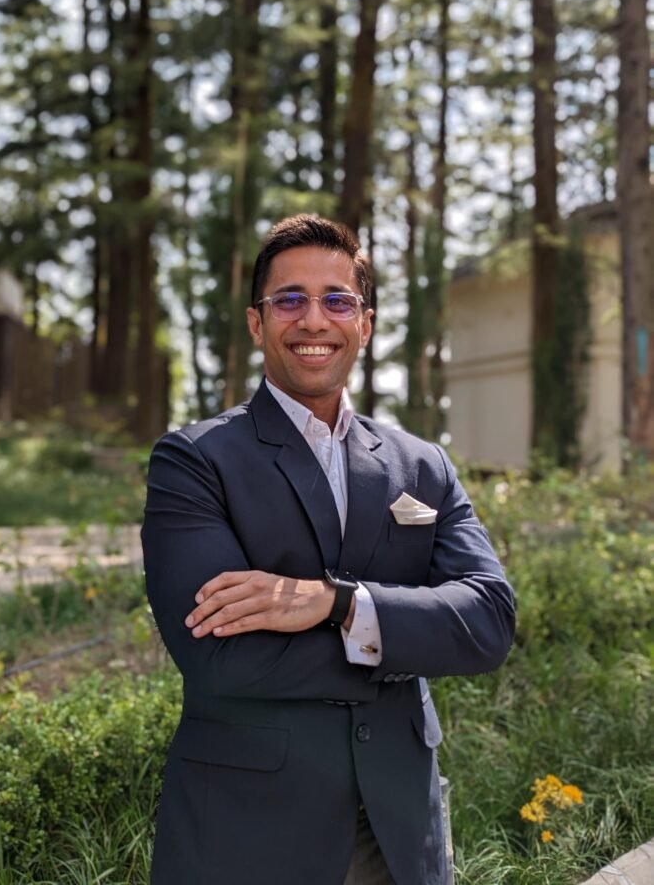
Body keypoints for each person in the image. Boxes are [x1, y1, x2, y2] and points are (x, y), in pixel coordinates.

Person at [142, 214, 515, 885]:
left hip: (402, 826)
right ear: (257, 323)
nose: (313, 319)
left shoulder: (421, 465)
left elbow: (487, 622)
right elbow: (219, 657)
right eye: (289, 299)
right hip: (251, 831)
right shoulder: (194, 460)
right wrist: (406, 643)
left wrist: (338, 604)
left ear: (364, 324)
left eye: (337, 300)